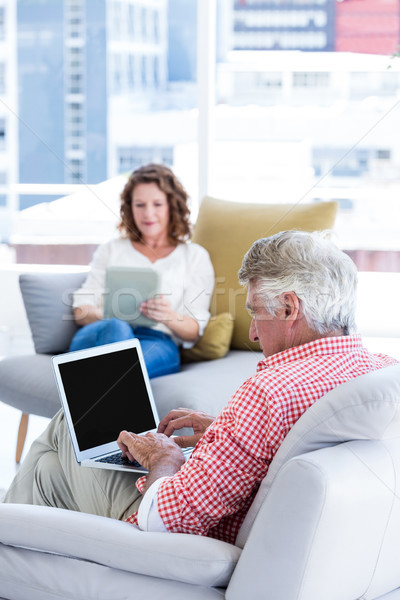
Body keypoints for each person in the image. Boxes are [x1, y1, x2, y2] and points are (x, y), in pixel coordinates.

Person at [4, 230, 397, 545]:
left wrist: (165, 458)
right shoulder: (380, 371)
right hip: (269, 521)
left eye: (256, 313)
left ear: (290, 308)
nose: (254, 334)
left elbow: (166, 522)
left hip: (178, 536)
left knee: (62, 427)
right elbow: (294, 442)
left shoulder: (270, 391)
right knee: (49, 473)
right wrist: (225, 431)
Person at [68, 163, 215, 379]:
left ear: (172, 206)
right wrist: (111, 314)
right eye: (139, 204)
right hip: (103, 333)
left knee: (127, 367)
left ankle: (88, 405)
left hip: (156, 341)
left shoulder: (194, 256)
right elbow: (80, 310)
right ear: (129, 207)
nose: (148, 213)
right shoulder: (111, 249)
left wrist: (167, 316)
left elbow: (193, 330)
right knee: (118, 329)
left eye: (157, 204)